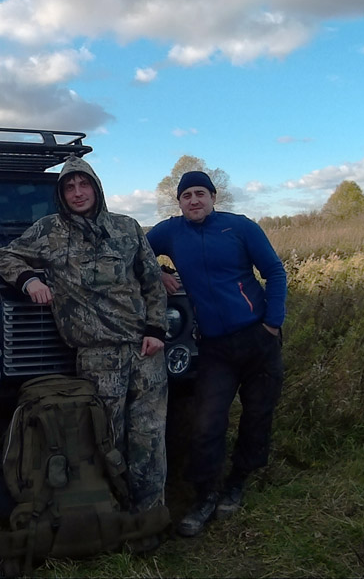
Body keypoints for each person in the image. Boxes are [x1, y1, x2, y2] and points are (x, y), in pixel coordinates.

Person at [0, 156, 169, 524]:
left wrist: (156, 329)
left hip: (144, 349)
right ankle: (110, 517)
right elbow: (5, 255)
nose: (77, 192)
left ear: (96, 188)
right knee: (106, 440)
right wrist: (30, 280)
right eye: (69, 187)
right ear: (61, 194)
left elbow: (153, 281)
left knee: (149, 438)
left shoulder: (127, 228)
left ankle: (150, 517)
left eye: (83, 184)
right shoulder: (49, 231)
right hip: (97, 355)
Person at [147, 171, 286, 537]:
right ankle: (205, 494)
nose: (194, 200)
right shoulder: (170, 232)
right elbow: (135, 250)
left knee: (257, 415)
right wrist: (159, 271)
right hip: (214, 347)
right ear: (178, 201)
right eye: (187, 195)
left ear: (213, 197)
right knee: (207, 422)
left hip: (258, 339)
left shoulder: (239, 227)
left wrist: (272, 323)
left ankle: (237, 481)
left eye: (200, 194)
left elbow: (274, 271)